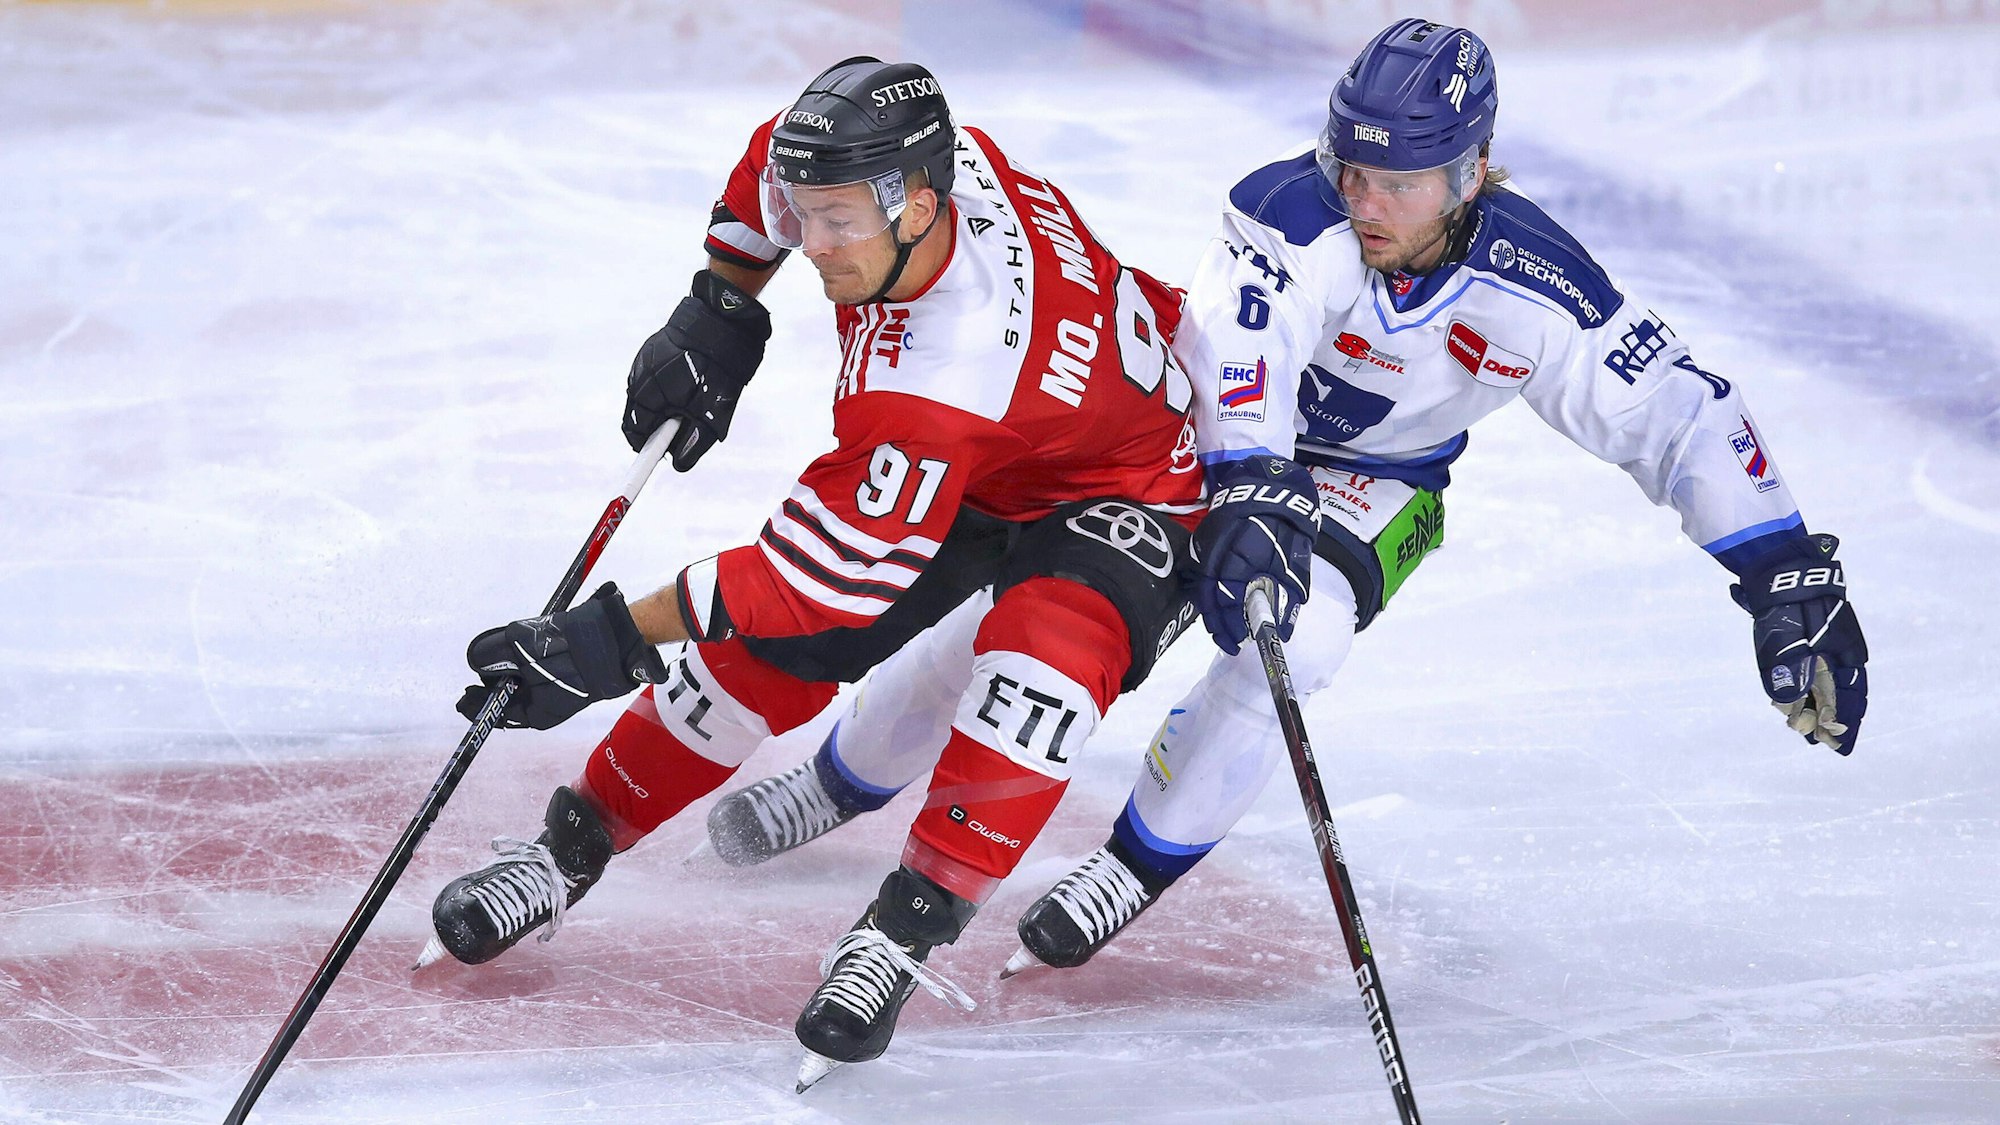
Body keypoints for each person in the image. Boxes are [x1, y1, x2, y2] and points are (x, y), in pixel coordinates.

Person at [710, 20, 1872, 986]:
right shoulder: (1290, 207)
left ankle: (1133, 864)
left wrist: (1784, 574)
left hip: (1380, 487)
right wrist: (1251, 487)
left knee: (1291, 644)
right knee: (1031, 618)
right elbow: (1238, 351)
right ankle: (837, 777)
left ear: (1472, 171)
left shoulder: (1543, 289)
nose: (1367, 201)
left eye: (1402, 181)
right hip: (1204, 441)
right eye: (1353, 167)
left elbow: (1677, 413)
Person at [417, 56, 1205, 1090]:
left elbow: (814, 579)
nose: (814, 240)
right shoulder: (909, 174)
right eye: (809, 217)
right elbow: (774, 168)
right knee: (776, 653)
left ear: (919, 207)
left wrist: (605, 643)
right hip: (1002, 455)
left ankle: (899, 935)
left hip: (1132, 486)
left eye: (838, 225)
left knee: (1034, 674)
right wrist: (720, 304)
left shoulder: (940, 376)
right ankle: (565, 849)